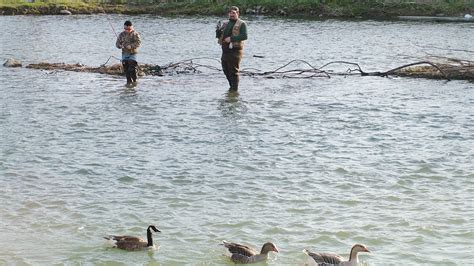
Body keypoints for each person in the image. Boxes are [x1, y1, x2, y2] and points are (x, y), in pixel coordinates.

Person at [216, 6, 248, 91]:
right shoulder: (226, 23)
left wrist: (231, 39)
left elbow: (245, 36)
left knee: (234, 72)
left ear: (238, 13)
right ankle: (231, 89)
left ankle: (234, 90)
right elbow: (219, 36)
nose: (231, 14)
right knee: (225, 69)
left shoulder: (242, 23)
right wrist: (218, 31)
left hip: (235, 51)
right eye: (230, 13)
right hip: (225, 50)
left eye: (233, 13)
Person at [116, 20, 141, 86]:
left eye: (128, 29)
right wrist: (120, 46)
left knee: (132, 68)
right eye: (125, 29)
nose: (127, 30)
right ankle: (128, 83)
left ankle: (135, 81)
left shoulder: (135, 34)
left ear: (132, 27)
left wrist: (131, 46)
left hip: (133, 53)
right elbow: (117, 44)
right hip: (124, 54)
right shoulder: (121, 34)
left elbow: (138, 43)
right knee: (126, 69)